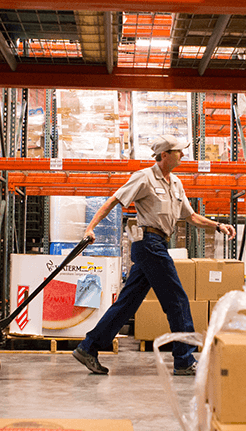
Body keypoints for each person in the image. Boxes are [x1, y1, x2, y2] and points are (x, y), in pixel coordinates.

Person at [72, 135, 236, 376]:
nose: (182, 155)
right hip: (148, 243)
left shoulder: (176, 183)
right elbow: (113, 201)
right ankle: (183, 359)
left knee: (127, 304)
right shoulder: (144, 178)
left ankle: (88, 347)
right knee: (177, 300)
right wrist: (90, 228)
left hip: (158, 244)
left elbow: (191, 217)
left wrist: (218, 225)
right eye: (178, 151)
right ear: (164, 155)